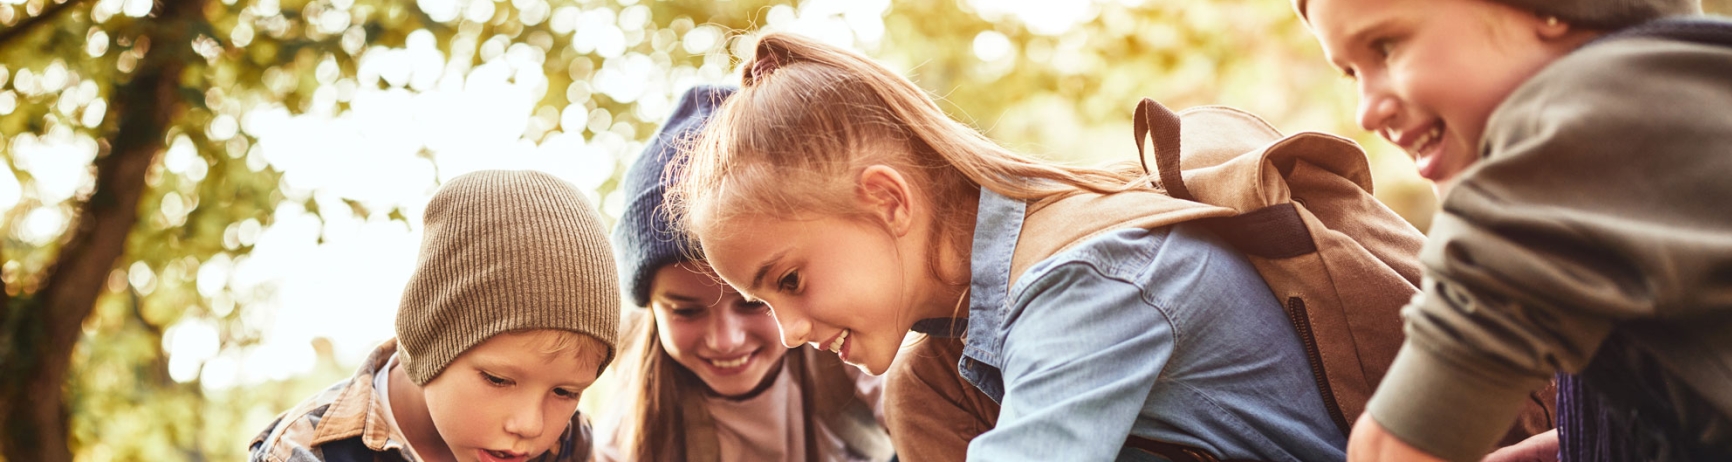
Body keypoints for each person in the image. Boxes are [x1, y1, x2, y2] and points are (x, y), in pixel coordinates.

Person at [666, 32, 1351, 461]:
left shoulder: (1087, 277)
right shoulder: (939, 376)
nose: (787, 332)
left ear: (889, 201)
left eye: (789, 280)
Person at [1296, 0, 1732, 460]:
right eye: (1351, 72)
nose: (1367, 110)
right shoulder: (1706, 81)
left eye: (1387, 47)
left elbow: (1395, 453)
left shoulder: (1570, 135)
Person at [595, 85, 892, 462]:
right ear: (651, 309)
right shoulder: (634, 422)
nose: (725, 341)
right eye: (685, 311)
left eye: (753, 304)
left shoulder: (843, 344)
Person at [248, 170, 623, 462]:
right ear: (429, 341)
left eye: (565, 392)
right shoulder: (306, 452)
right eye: (497, 379)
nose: (530, 425)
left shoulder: (568, 445)